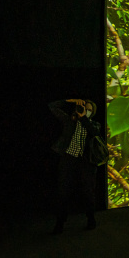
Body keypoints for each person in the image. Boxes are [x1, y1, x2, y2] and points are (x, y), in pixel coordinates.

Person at [49, 98, 102, 233]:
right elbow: (52, 107)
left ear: (93, 112)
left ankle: (91, 219)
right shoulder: (69, 121)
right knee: (63, 191)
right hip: (68, 160)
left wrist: (83, 117)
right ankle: (60, 222)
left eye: (89, 110)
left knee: (88, 192)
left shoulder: (94, 124)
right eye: (85, 108)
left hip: (87, 162)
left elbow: (94, 132)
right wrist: (68, 101)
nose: (86, 111)